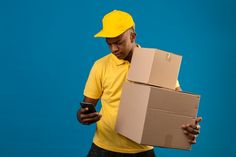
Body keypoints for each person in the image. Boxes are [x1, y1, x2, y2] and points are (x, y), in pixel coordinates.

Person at [77, 10, 202, 157]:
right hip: (103, 148)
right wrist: (82, 116)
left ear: (132, 36)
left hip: (142, 150)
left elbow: (180, 107)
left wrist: (190, 125)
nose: (114, 49)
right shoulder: (100, 65)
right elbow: (86, 108)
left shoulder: (156, 63)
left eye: (118, 42)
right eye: (109, 43)